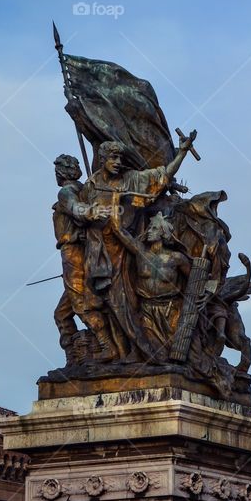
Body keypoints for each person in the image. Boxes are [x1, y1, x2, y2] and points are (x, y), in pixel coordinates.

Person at [82, 135, 196, 363]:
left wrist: (182, 153)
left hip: (126, 249)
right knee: (94, 301)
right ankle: (118, 350)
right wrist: (87, 212)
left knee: (121, 302)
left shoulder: (130, 180)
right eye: (113, 157)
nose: (117, 162)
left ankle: (143, 352)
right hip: (96, 251)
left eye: (120, 158)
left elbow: (160, 175)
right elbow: (80, 212)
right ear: (102, 158)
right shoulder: (91, 185)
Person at [51, 155, 110, 363]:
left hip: (73, 253)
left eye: (58, 170)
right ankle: (74, 357)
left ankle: (106, 345)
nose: (56, 174)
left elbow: (78, 210)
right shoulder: (84, 190)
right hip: (80, 252)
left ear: (62, 173)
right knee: (61, 313)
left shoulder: (67, 192)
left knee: (80, 303)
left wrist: (93, 212)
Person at [114, 212, 192, 358]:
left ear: (163, 232)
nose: (149, 231)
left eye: (154, 228)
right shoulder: (140, 252)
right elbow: (118, 230)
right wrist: (114, 201)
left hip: (171, 310)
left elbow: (193, 281)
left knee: (173, 353)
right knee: (155, 353)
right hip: (147, 309)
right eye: (149, 228)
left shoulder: (177, 258)